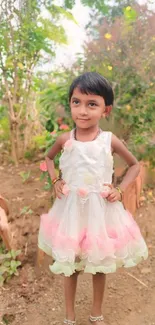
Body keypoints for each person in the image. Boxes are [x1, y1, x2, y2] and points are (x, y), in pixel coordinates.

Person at [38, 72, 148, 325]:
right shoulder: (65, 140)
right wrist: (55, 181)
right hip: (71, 211)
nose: (83, 111)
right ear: (70, 104)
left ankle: (96, 313)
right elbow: (47, 158)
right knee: (71, 263)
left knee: (99, 264)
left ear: (105, 109)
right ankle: (69, 316)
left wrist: (120, 190)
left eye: (92, 104)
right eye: (76, 102)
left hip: (101, 211)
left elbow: (134, 165)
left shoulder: (109, 141)